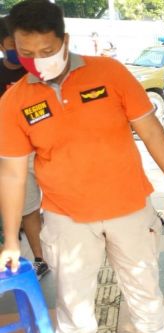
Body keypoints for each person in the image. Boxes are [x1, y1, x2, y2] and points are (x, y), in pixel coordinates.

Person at [0, 1, 164, 333]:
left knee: (143, 280)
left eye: (46, 51)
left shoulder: (109, 72)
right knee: (72, 297)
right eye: (26, 53)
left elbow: (150, 128)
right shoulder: (14, 101)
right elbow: (11, 173)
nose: (37, 61)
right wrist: (11, 240)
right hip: (66, 215)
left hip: (130, 205)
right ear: (13, 47)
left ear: (65, 40)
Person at [0, 15, 49, 279]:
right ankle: (40, 258)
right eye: (13, 44)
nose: (20, 51)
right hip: (16, 153)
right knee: (28, 207)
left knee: (58, 202)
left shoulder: (38, 71)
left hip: (46, 147)